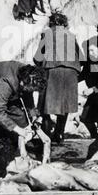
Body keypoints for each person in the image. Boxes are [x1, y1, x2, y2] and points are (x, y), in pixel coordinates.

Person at [34, 12, 81, 143]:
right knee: (64, 105)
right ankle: (59, 134)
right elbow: (80, 56)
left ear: (51, 23)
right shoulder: (71, 35)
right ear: (65, 23)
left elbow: (38, 57)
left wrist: (40, 65)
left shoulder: (47, 34)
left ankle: (46, 133)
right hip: (71, 73)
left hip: (52, 70)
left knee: (45, 104)